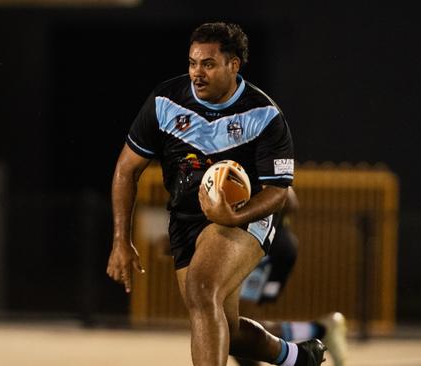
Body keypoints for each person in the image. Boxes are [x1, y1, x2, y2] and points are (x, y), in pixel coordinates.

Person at [106, 22, 326, 366]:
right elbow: (125, 170)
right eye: (193, 63)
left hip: (243, 218)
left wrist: (234, 215)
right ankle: (298, 357)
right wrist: (121, 239)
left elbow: (279, 192)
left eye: (208, 64)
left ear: (233, 65)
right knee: (227, 328)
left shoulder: (264, 115)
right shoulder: (165, 101)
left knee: (201, 290)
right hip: (184, 220)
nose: (197, 73)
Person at [236, 186, 348, 366]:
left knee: (236, 327)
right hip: (258, 250)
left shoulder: (248, 164)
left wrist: (243, 216)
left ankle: (319, 331)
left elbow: (290, 201)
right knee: (234, 328)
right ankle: (319, 329)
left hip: (266, 251)